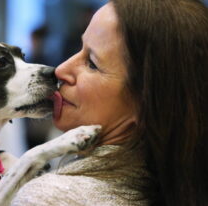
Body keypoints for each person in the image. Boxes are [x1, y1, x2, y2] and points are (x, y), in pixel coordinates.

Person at [11, 0, 208, 205]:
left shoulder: (49, 198)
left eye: (92, 64)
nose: (60, 69)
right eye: (80, 48)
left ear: (145, 103)